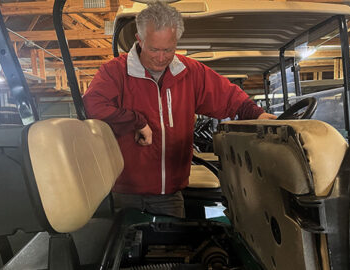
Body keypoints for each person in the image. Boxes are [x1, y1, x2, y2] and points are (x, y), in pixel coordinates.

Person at [83, 1, 276, 218]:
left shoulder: (190, 72)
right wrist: (136, 121)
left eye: (168, 49)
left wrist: (256, 113)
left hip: (170, 194)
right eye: (154, 49)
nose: (161, 57)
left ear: (176, 42)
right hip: (125, 191)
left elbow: (228, 96)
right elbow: (92, 105)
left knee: (175, 245)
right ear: (140, 40)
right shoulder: (115, 72)